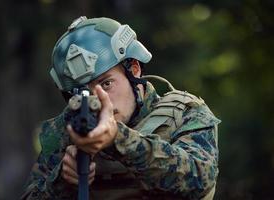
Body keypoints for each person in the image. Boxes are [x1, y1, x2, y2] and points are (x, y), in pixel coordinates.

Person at [21, 16, 220, 200]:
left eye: (106, 84)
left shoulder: (183, 112)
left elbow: (200, 180)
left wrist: (118, 138)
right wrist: (63, 181)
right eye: (84, 92)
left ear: (134, 68)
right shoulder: (65, 131)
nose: (99, 100)